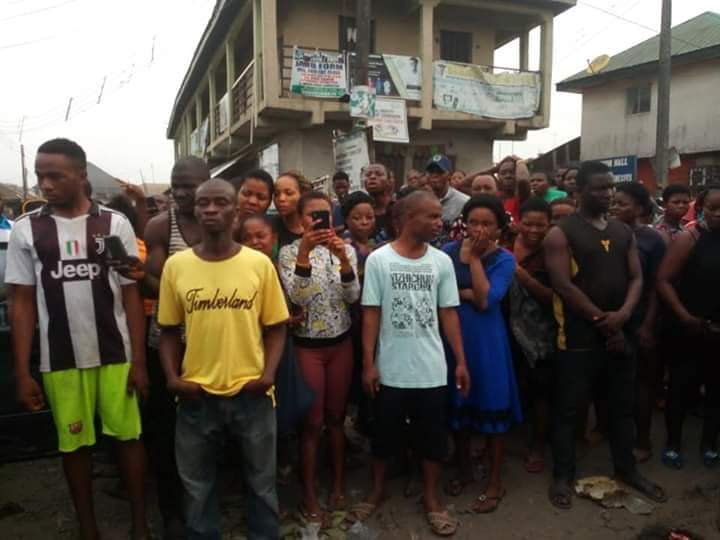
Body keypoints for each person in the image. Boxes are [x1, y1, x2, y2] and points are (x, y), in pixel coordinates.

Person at [6, 138, 150, 540]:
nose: (45, 184)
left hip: (115, 355)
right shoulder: (26, 229)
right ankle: (89, 530)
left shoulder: (113, 224)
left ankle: (140, 527)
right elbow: (20, 303)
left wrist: (139, 361)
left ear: (81, 176)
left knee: (129, 438)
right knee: (74, 447)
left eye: (55, 175)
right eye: (40, 176)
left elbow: (130, 293)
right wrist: (22, 372)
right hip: (61, 360)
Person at [158, 178, 288, 539]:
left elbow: (277, 327)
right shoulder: (177, 266)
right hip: (196, 396)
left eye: (220, 203)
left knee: (262, 486)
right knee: (197, 489)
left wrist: (268, 375)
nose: (211, 210)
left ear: (235, 211)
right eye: (204, 204)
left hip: (252, 394)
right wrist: (172, 377)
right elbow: (168, 330)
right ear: (194, 210)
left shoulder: (258, 265)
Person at [544, 160, 666, 509]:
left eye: (611, 186)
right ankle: (563, 477)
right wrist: (602, 319)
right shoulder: (561, 232)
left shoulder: (623, 231)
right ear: (579, 191)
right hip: (579, 337)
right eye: (600, 187)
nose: (608, 193)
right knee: (569, 410)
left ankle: (626, 469)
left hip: (618, 334)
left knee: (621, 409)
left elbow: (637, 279)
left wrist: (624, 314)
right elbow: (563, 286)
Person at [350, 191, 470, 537]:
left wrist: (460, 361)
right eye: (431, 216)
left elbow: (448, 313)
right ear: (408, 219)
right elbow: (371, 312)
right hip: (391, 368)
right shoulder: (379, 260)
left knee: (433, 437)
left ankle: (431, 499)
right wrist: (368, 363)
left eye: (439, 216)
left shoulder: (441, 262)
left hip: (431, 369)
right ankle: (376, 490)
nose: (439, 222)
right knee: (383, 435)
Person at [278, 191, 360, 523]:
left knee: (337, 419)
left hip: (341, 344)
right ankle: (309, 493)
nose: (318, 221)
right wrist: (305, 254)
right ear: (301, 219)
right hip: (307, 347)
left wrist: (342, 260)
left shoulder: (348, 249)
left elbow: (352, 296)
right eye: (312, 215)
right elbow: (299, 296)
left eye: (324, 214)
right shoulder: (288, 252)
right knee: (311, 424)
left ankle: (338, 483)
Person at [143, 156, 211, 537]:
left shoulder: (223, 222)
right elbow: (148, 280)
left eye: (191, 185)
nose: (183, 192)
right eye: (176, 184)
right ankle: (171, 510)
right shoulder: (158, 225)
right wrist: (189, 290)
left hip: (214, 343)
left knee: (211, 427)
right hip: (168, 344)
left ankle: (205, 501)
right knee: (167, 430)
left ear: (208, 183)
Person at [442, 195, 521, 512]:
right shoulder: (447, 253)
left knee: (492, 405)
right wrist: (468, 293)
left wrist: (474, 260)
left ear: (500, 228)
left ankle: (495, 482)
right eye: (473, 222)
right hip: (454, 340)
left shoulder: (504, 259)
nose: (479, 229)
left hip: (488, 343)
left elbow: (487, 300)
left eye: (487, 223)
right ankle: (464, 470)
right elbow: (440, 293)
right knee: (459, 407)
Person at [656, 184, 720, 470]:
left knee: (717, 390)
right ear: (702, 208)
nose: (719, 214)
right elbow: (663, 280)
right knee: (681, 388)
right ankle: (673, 443)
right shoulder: (689, 238)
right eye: (714, 208)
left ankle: (709, 444)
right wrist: (683, 315)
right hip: (688, 326)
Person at [609, 183, 666, 464]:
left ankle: (642, 439)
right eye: (614, 203)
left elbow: (657, 286)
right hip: (609, 318)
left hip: (640, 318)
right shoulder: (605, 234)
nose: (616, 208)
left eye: (623, 204)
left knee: (641, 384)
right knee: (611, 381)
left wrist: (648, 325)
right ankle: (607, 430)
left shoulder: (652, 240)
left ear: (641, 210)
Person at [508, 197, 555, 475]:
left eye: (541, 225)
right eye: (528, 223)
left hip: (540, 333)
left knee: (541, 393)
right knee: (512, 384)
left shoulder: (555, 252)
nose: (534, 230)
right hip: (505, 326)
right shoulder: (505, 242)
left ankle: (538, 446)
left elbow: (554, 298)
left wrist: (521, 275)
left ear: (550, 226)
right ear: (518, 222)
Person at [425, 154, 469, 247]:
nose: (435, 175)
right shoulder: (420, 201)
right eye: (431, 172)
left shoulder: (464, 202)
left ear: (449, 174)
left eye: (440, 172)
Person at [274, 170, 311, 249]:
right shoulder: (269, 227)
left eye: (289, 193)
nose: (281, 199)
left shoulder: (315, 226)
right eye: (276, 194)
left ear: (303, 194)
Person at [364, 164, 393, 243]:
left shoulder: (399, 209)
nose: (372, 177)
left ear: (389, 181)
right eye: (368, 175)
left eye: (379, 174)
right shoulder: (359, 211)